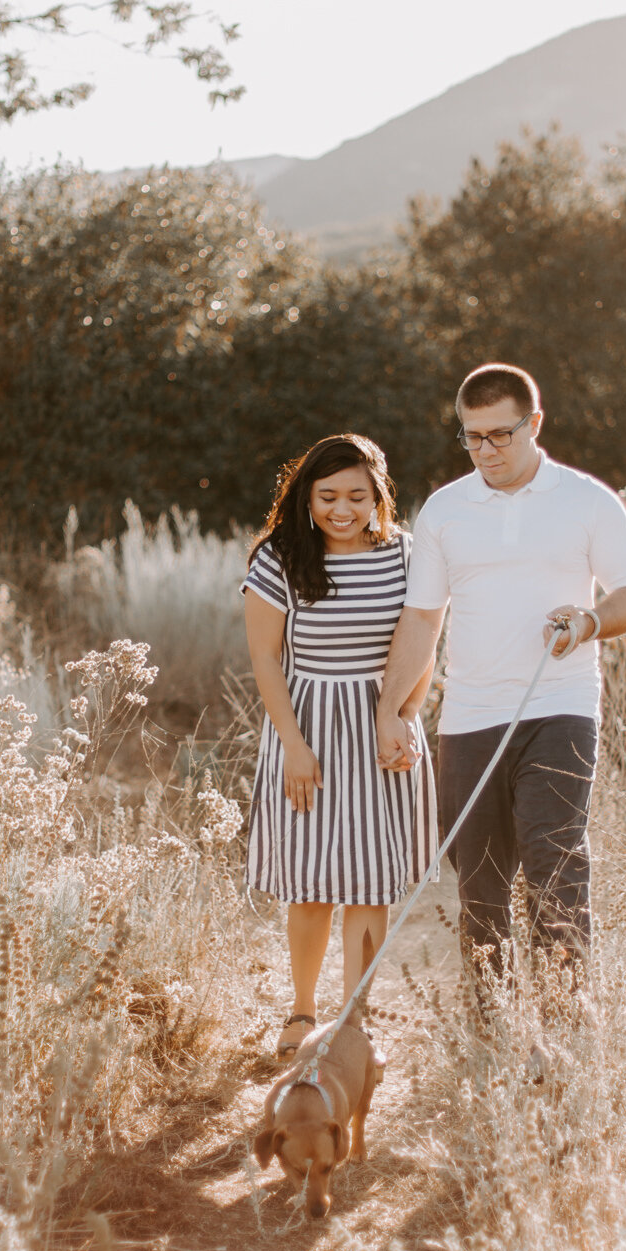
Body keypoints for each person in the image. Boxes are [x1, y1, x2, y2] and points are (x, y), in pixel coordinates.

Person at [375, 363, 626, 1004]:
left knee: (553, 858)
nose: (486, 452)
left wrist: (588, 621)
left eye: (500, 435)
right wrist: (392, 709)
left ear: (535, 424)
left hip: (559, 706)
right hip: (468, 716)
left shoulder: (586, 500)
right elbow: (422, 619)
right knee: (480, 879)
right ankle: (491, 1022)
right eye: (472, 438)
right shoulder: (445, 510)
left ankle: (565, 1020)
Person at [242, 434, 438, 1059]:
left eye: (357, 495)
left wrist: (405, 715)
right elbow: (266, 661)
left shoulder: (407, 556)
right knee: (311, 881)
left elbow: (424, 643)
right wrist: (294, 747)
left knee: (370, 881)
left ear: (378, 494)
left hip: (381, 725)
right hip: (308, 726)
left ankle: (353, 1018)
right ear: (306, 496)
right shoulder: (279, 558)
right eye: (328, 496)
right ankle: (301, 1012)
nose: (342, 509)